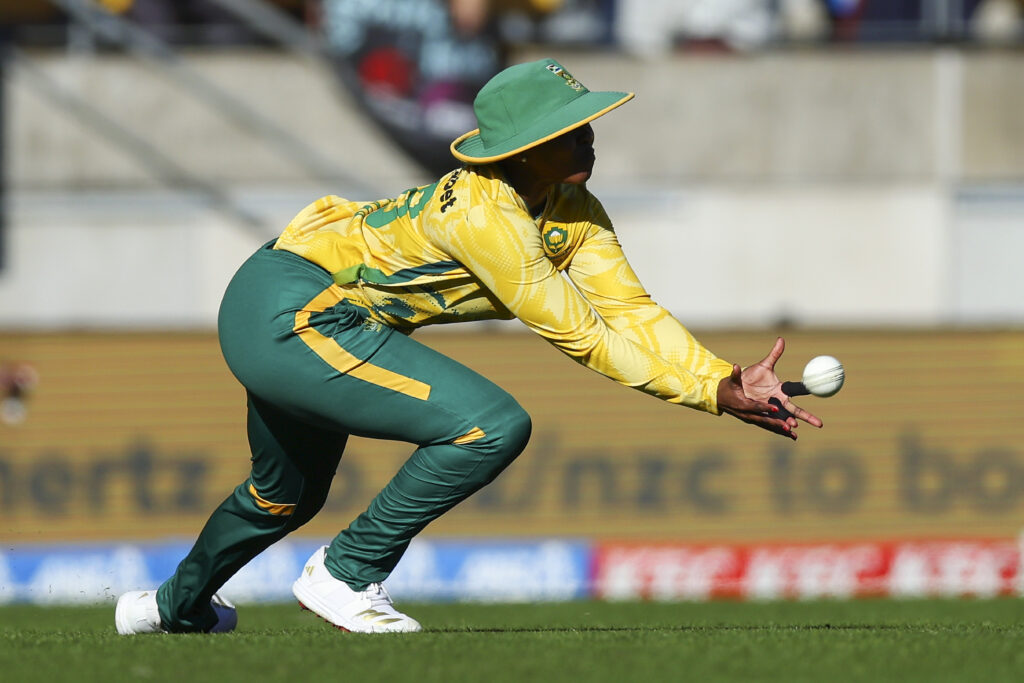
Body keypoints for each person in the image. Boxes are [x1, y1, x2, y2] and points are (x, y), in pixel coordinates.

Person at [114, 57, 822, 636]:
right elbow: (583, 335)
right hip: (293, 310)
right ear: (521, 149)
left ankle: (167, 607)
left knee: (282, 495)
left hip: (292, 301)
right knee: (491, 424)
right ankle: (345, 571)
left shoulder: (572, 209)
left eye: (587, 126)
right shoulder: (489, 216)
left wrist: (724, 375)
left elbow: (629, 310)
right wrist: (710, 394)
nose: (589, 138)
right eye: (570, 130)